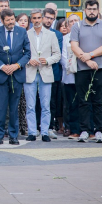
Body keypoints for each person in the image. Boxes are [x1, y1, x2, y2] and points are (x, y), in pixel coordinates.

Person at [70, 0, 102, 143]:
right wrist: (87, 60)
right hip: (82, 68)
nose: (92, 11)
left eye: (94, 9)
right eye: (89, 9)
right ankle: (84, 130)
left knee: (98, 100)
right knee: (83, 100)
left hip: (100, 68)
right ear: (85, 10)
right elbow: (74, 47)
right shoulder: (77, 26)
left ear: (98, 10)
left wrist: (91, 55)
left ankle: (99, 130)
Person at [0, 8, 30, 145]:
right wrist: (2, 67)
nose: (11, 22)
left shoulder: (22, 32)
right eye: (8, 20)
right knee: (0, 107)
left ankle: (14, 136)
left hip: (17, 75)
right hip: (1, 75)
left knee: (14, 107)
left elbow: (27, 53)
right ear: (2, 20)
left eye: (12, 19)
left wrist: (17, 65)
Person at [22, 9, 61, 142]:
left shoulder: (51, 35)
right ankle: (32, 132)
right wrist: (28, 60)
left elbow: (57, 54)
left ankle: (44, 132)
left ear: (43, 18)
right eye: (34, 18)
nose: (37, 20)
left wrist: (48, 60)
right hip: (30, 72)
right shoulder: (25, 34)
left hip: (45, 72)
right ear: (31, 20)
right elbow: (21, 53)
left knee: (46, 105)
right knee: (30, 105)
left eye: (39, 17)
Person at [42, 8, 63, 139]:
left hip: (52, 71)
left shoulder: (57, 34)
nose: (49, 20)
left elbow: (57, 52)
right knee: (38, 102)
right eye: (47, 17)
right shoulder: (33, 32)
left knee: (51, 102)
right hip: (36, 71)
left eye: (51, 18)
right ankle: (38, 126)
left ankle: (49, 127)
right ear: (42, 17)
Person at [61, 14, 81, 138]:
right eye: (71, 21)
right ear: (68, 25)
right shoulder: (64, 39)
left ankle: (84, 128)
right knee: (71, 104)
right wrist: (71, 67)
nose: (74, 23)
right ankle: (73, 129)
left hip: (83, 73)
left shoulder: (84, 36)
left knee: (83, 103)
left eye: (76, 20)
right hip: (69, 75)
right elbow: (63, 57)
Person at [16, 13, 30, 135]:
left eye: (25, 20)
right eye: (20, 20)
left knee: (26, 103)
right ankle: (17, 126)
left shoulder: (29, 34)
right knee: (17, 102)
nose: (23, 22)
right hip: (17, 70)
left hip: (30, 71)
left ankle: (25, 126)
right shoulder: (15, 35)